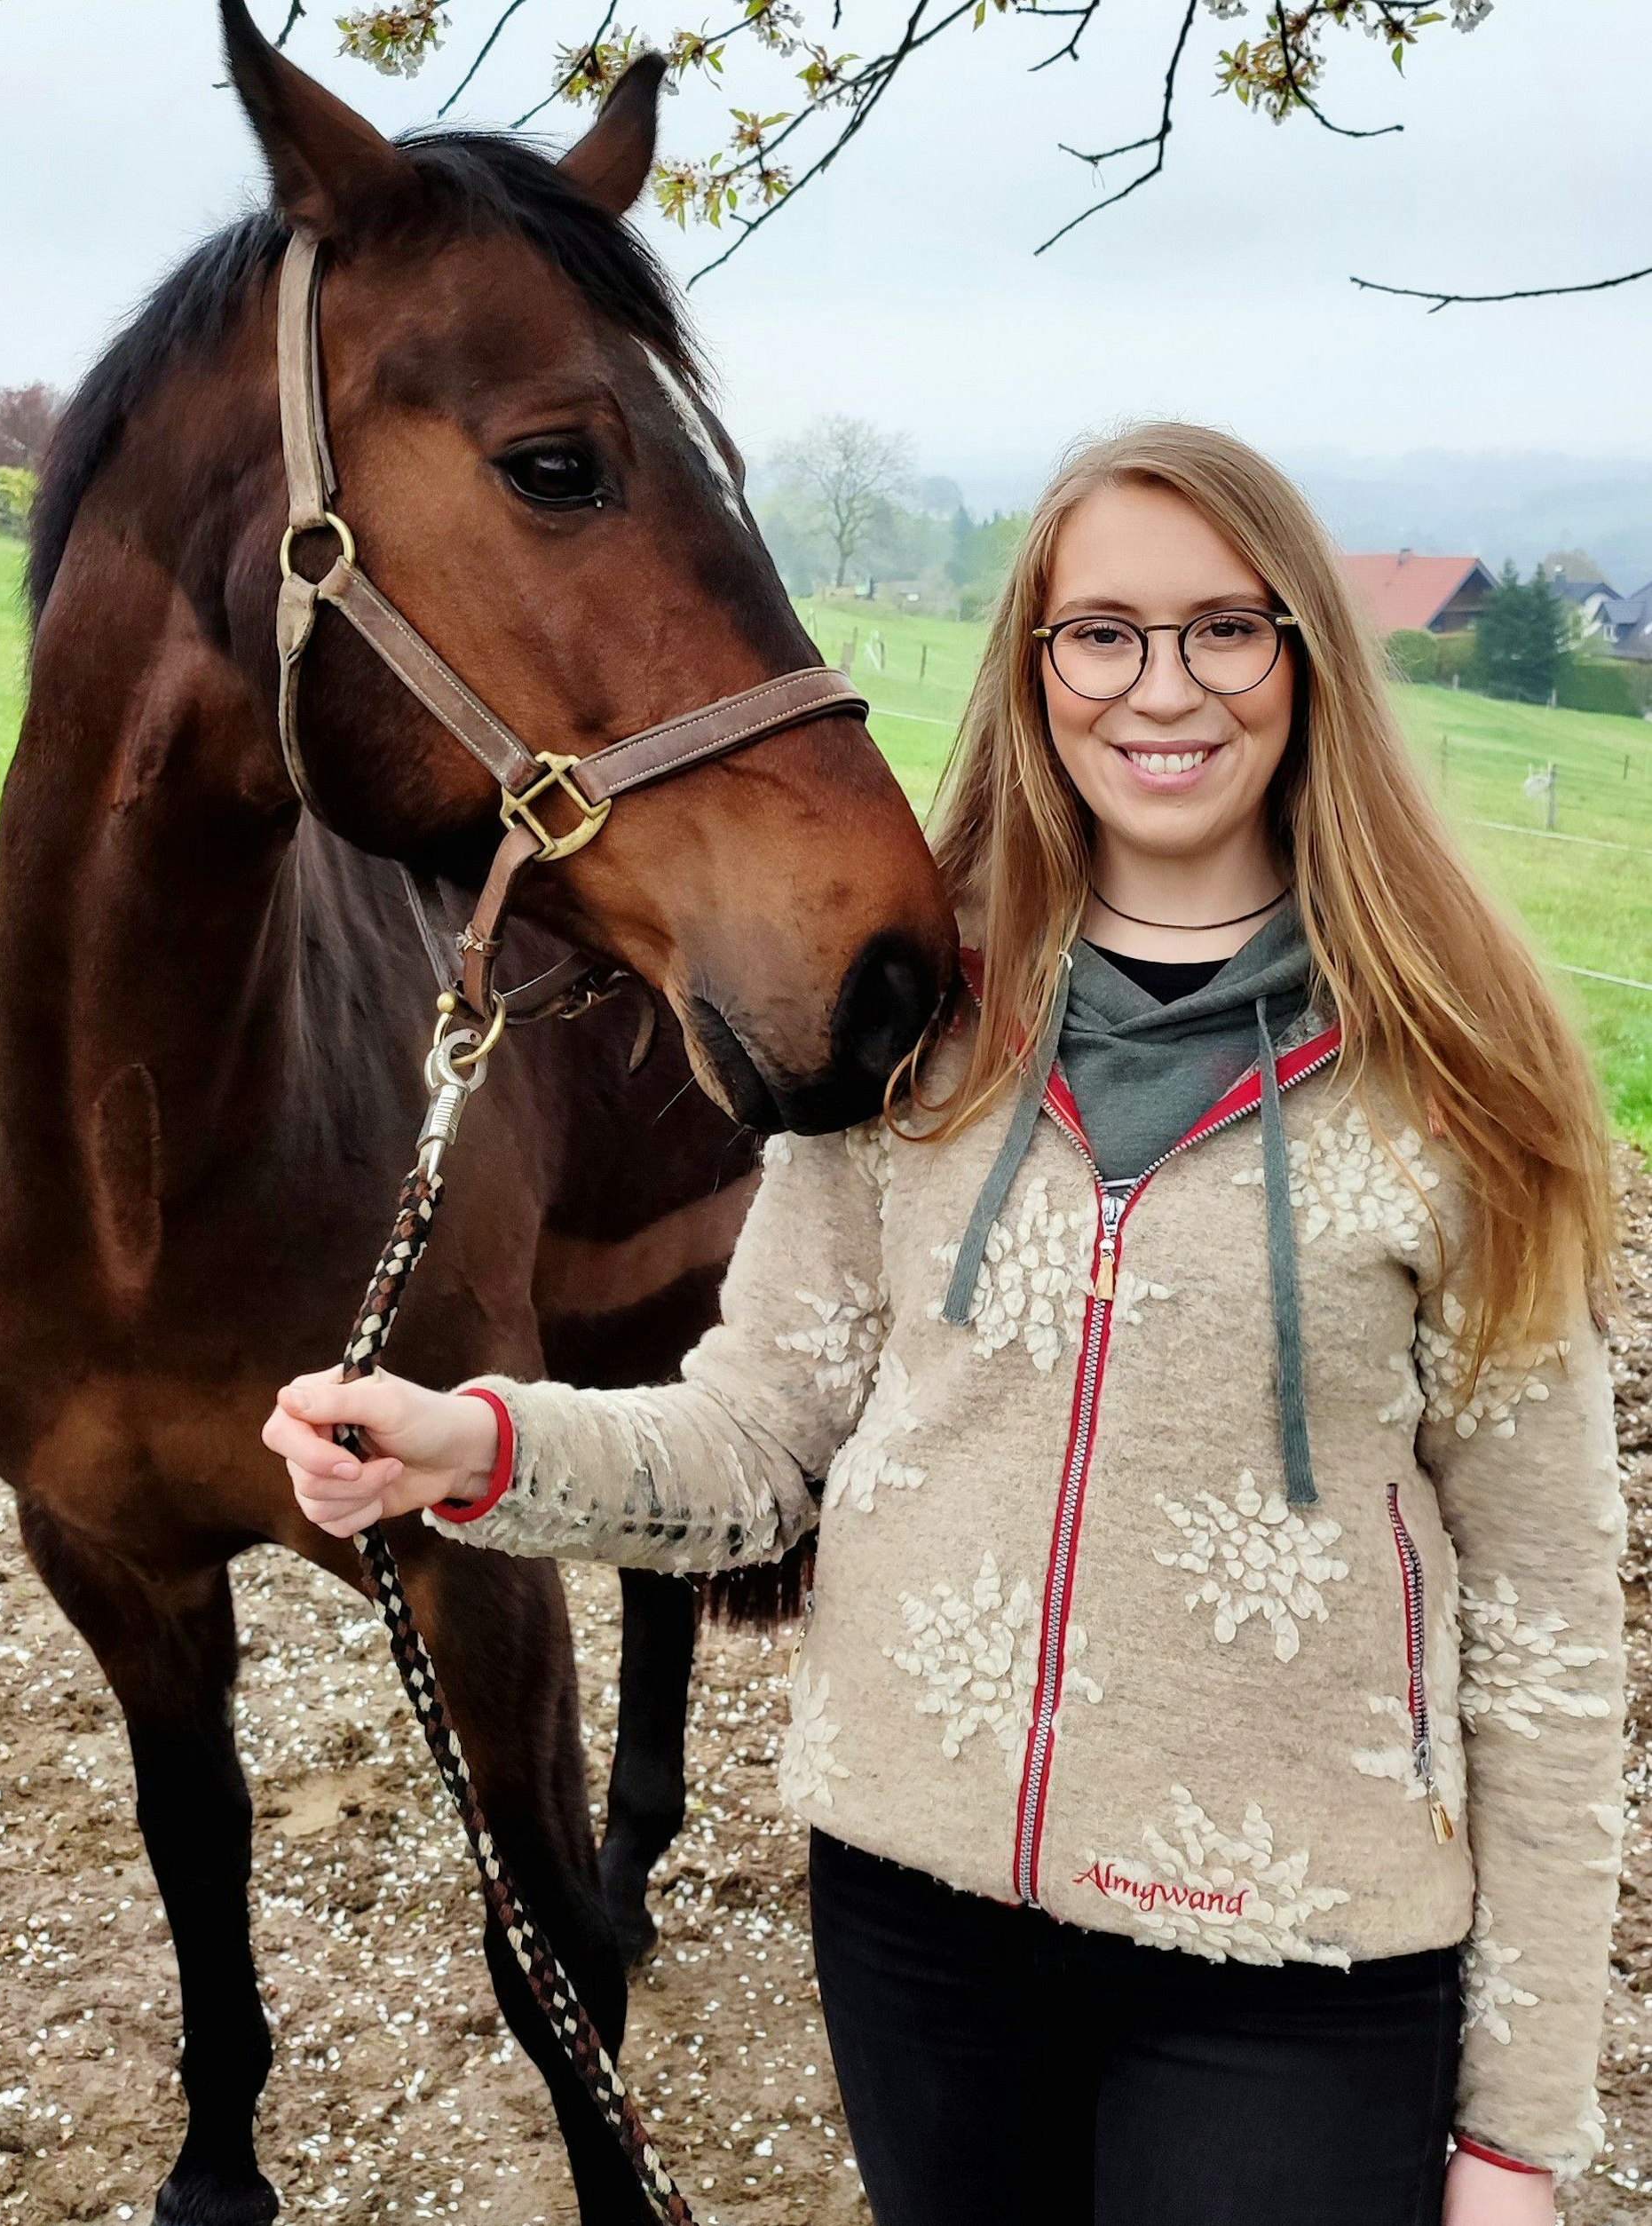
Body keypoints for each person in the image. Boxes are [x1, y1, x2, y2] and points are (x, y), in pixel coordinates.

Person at [265, 423, 1624, 2226]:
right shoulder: (918, 1036)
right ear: (1037, 667)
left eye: (1227, 628)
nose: (1164, 686)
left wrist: (1517, 2135)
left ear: (1304, 660)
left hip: (1302, 1957)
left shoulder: (1464, 1083)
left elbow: (1542, 1640)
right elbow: (759, 1447)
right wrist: (480, 1443)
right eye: (1102, 633)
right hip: (918, 1914)